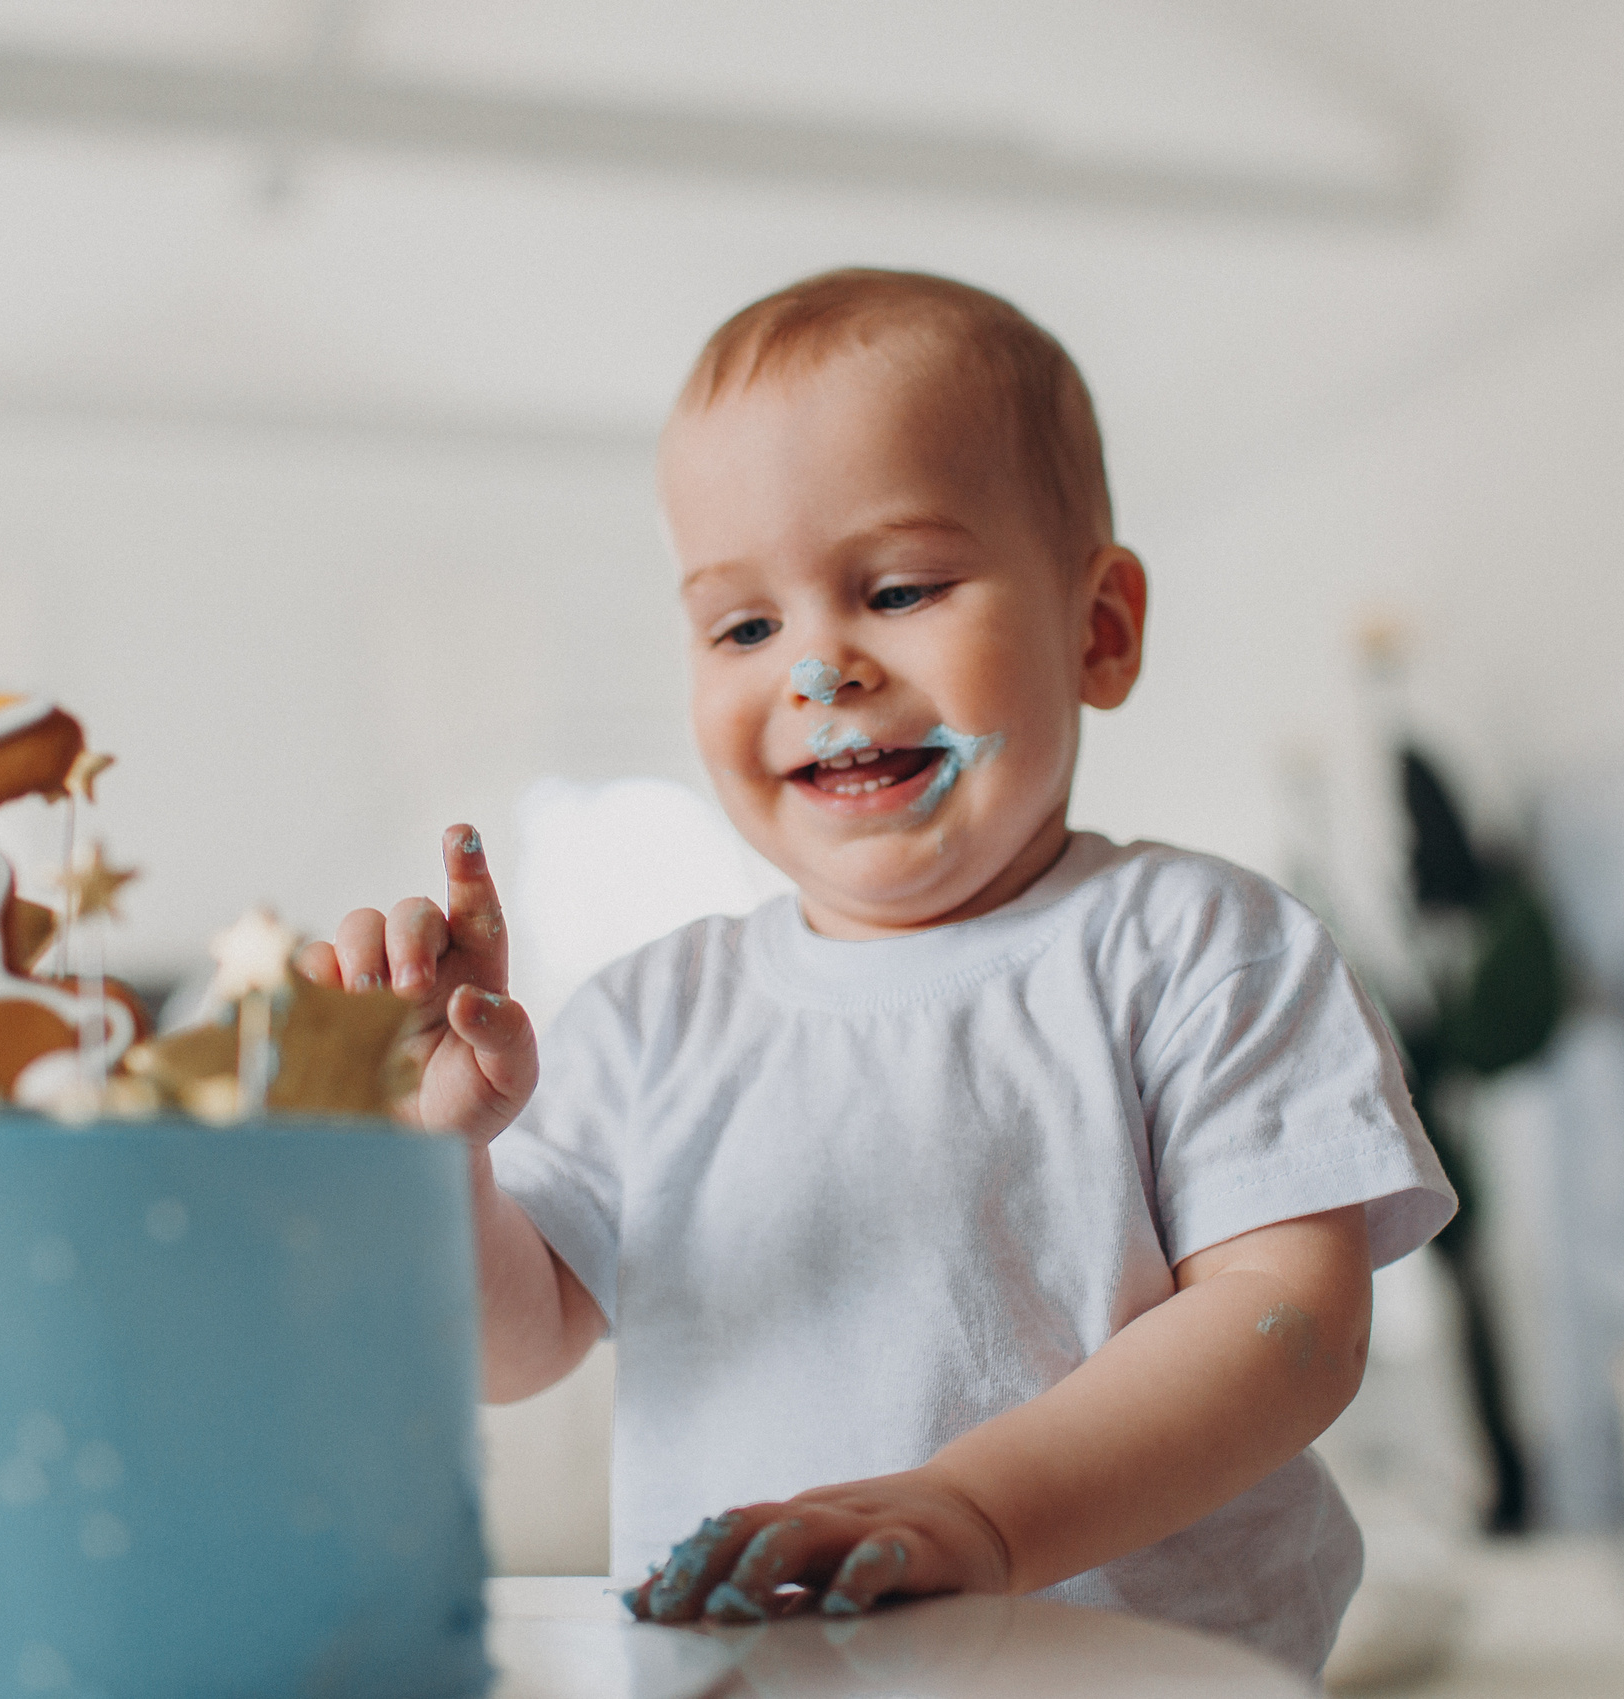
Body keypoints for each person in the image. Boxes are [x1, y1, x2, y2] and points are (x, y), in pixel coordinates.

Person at [296, 269, 1453, 1675]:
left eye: (897, 588)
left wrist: (977, 1511)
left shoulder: (1201, 950)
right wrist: (439, 1163)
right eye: (742, 628)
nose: (820, 668)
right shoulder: (656, 1022)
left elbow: (1291, 1325)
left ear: (1099, 628)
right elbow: (514, 1349)